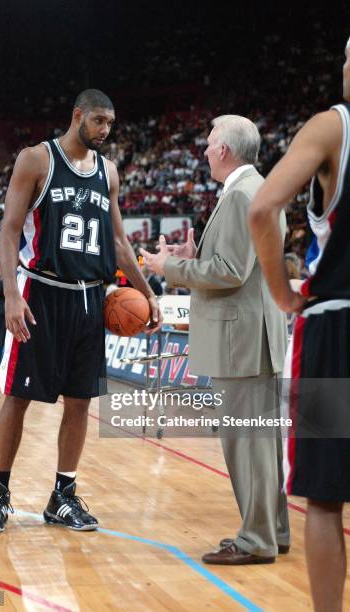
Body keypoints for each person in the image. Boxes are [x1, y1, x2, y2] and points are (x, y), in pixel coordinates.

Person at [0, 89, 162, 533]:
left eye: (110, 124)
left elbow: (118, 244)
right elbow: (9, 230)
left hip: (90, 298)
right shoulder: (36, 160)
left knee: (80, 402)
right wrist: (12, 295)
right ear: (77, 115)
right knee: (18, 397)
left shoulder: (109, 172)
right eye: (98, 121)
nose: (104, 130)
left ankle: (62, 495)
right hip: (40, 293)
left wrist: (148, 292)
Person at [141, 115, 289, 564]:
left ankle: (255, 541)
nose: (204, 151)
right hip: (252, 336)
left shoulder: (243, 192)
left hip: (242, 341)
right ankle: (272, 531)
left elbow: (229, 272)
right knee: (261, 446)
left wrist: (169, 268)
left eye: (208, 144)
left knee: (248, 445)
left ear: (224, 150)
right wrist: (195, 255)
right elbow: (235, 263)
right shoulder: (252, 188)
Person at [249, 38, 350, 612]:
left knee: (326, 498)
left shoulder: (332, 127)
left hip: (336, 325)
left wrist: (284, 293)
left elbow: (263, 209)